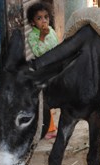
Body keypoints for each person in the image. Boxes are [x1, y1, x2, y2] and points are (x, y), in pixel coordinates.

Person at [27, 2, 58, 139]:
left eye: (46, 17)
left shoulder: (51, 30)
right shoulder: (32, 36)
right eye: (39, 18)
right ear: (32, 22)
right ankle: (48, 129)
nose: (44, 20)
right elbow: (38, 52)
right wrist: (41, 37)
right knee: (44, 101)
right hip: (43, 70)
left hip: (55, 68)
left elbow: (58, 48)